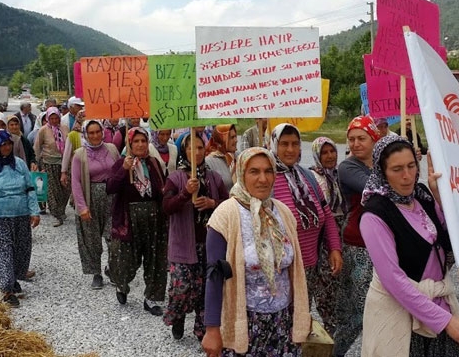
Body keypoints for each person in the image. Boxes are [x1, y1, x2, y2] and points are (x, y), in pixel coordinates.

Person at [359, 135, 459, 355]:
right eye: (397, 169)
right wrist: (446, 322)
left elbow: (452, 238)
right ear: (382, 173)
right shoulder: (375, 214)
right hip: (401, 316)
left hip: (439, 305)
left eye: (411, 166)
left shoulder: (422, 195)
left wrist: (438, 193)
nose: (407, 176)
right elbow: (393, 280)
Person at [202, 147, 310, 356]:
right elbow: (213, 275)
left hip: (283, 321)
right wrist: (212, 329)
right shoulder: (226, 215)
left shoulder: (282, 212)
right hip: (246, 321)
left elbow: (294, 271)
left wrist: (301, 314)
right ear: (241, 174)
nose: (263, 179)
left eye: (268, 171)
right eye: (254, 171)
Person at [269, 123, 342, 336]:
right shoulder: (268, 178)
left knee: (300, 320)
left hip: (309, 268)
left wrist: (335, 248)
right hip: (282, 271)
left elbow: (327, 214)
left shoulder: (307, 177)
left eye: (295, 144)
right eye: (284, 144)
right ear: (274, 144)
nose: (290, 150)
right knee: (282, 324)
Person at [162, 132, 229, 341]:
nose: (197, 152)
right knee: (181, 286)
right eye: (192, 147)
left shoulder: (214, 178)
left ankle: (203, 329)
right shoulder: (175, 178)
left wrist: (212, 203)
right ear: (184, 150)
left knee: (206, 288)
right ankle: (179, 315)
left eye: (200, 148)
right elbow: (166, 207)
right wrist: (184, 193)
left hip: (209, 244)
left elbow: (229, 207)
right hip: (183, 244)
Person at [106, 127, 168, 315]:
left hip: (153, 219)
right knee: (125, 259)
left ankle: (151, 298)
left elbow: (162, 190)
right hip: (128, 219)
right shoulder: (121, 164)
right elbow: (110, 188)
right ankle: (121, 285)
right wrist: (124, 170)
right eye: (136, 141)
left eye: (143, 141)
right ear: (130, 144)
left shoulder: (154, 164)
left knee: (155, 260)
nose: (140, 145)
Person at [0, 130, 41, 307]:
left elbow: (29, 188)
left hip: (20, 214)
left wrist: (34, 211)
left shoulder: (19, 164)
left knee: (20, 249)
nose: (6, 147)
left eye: (8, 144)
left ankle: (13, 279)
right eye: (2, 144)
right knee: (3, 252)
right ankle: (7, 290)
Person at [333, 115, 380, 356]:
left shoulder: (382, 163)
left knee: (366, 311)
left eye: (361, 138)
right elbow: (375, 189)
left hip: (382, 245)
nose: (355, 144)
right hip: (358, 245)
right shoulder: (348, 167)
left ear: (374, 139)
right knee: (363, 311)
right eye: (351, 139)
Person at [69, 119, 120, 289]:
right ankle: (96, 273)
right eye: (91, 133)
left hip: (112, 198)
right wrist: (82, 207)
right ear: (86, 134)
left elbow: (120, 171)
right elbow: (75, 182)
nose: (95, 135)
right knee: (91, 239)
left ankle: (113, 269)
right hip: (91, 199)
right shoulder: (79, 154)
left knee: (114, 237)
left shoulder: (112, 149)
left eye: (98, 131)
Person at [308, 136, 349, 334]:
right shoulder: (313, 178)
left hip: (343, 232)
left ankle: (338, 322)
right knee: (325, 279)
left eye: (332, 151)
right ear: (317, 155)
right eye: (324, 152)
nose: (330, 155)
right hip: (324, 234)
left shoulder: (341, 175)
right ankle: (328, 321)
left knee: (340, 278)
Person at [33, 107, 70, 227]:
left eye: (56, 118)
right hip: (49, 162)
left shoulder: (64, 128)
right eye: (51, 118)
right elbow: (37, 147)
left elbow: (69, 144)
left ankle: (61, 209)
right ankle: (56, 214)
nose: (54, 120)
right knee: (52, 190)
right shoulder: (43, 130)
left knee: (65, 189)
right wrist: (38, 164)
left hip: (64, 162)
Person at [205, 124, 237, 193]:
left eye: (235, 136)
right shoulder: (209, 161)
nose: (236, 140)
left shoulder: (239, 156)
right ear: (221, 139)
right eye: (232, 137)